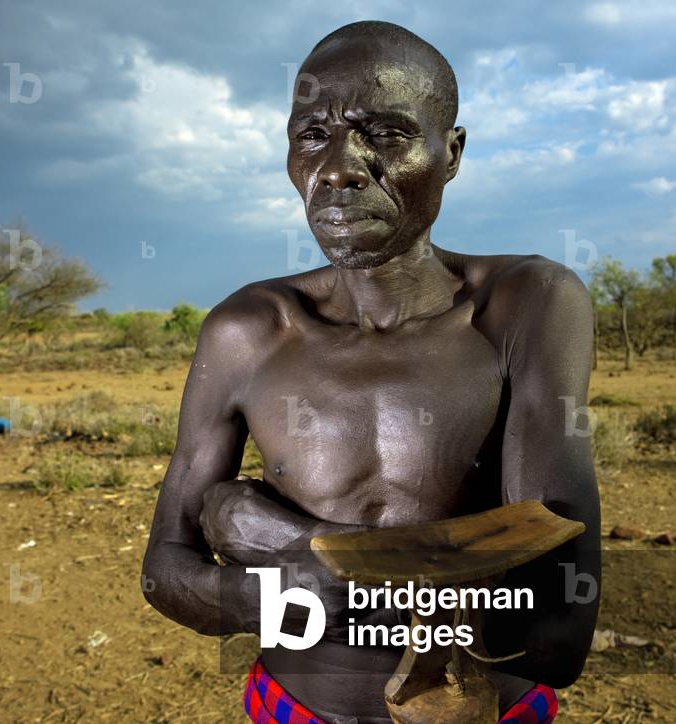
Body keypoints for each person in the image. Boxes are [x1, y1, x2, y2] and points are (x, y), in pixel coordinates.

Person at [142, 20, 600, 723]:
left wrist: (279, 541)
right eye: (311, 136)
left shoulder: (526, 305)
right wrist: (285, 591)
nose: (340, 167)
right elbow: (165, 572)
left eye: (386, 134)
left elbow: (554, 631)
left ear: (451, 153)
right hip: (290, 707)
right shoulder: (247, 330)